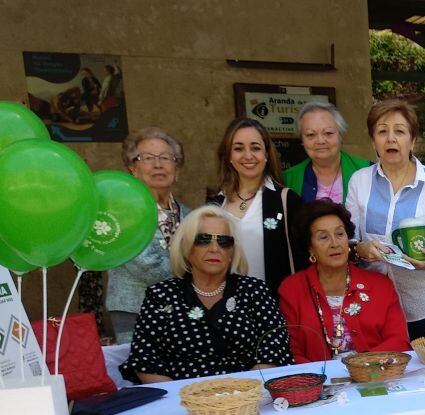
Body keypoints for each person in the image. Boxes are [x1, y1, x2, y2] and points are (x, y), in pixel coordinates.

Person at [120, 206, 292, 384]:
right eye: (203, 239)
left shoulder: (255, 291)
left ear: (232, 252)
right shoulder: (160, 295)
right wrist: (184, 401)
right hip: (179, 401)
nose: (214, 248)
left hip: (247, 397)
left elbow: (275, 346)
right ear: (186, 247)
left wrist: (243, 391)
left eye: (224, 241)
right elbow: (144, 359)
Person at [345, 98, 425, 340]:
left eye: (399, 131)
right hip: (373, 301)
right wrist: (360, 248)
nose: (391, 138)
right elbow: (348, 238)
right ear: (373, 141)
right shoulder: (359, 181)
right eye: (382, 131)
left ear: (412, 140)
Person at [278, 200, 410, 363]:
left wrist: (362, 367)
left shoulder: (380, 285)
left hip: (376, 378)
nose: (335, 244)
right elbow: (292, 351)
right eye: (323, 237)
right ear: (310, 247)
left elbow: (398, 341)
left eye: (340, 234)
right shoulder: (292, 289)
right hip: (318, 383)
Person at [106, 127, 189, 344]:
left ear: (177, 169)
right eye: (148, 158)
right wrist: (203, 277)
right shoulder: (122, 213)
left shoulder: (190, 215)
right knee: (140, 374)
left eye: (166, 158)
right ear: (133, 168)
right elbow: (149, 268)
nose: (158, 165)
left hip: (186, 311)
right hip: (135, 311)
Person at [208, 118, 303, 293]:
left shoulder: (286, 200)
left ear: (266, 154)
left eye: (255, 148)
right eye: (238, 148)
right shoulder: (214, 205)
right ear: (228, 155)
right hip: (224, 309)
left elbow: (303, 259)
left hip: (273, 308)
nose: (248, 155)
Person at [282, 101, 371, 203]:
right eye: (311, 135)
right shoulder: (288, 179)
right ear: (302, 140)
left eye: (328, 133)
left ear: (340, 136)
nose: (320, 141)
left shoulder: (367, 171)